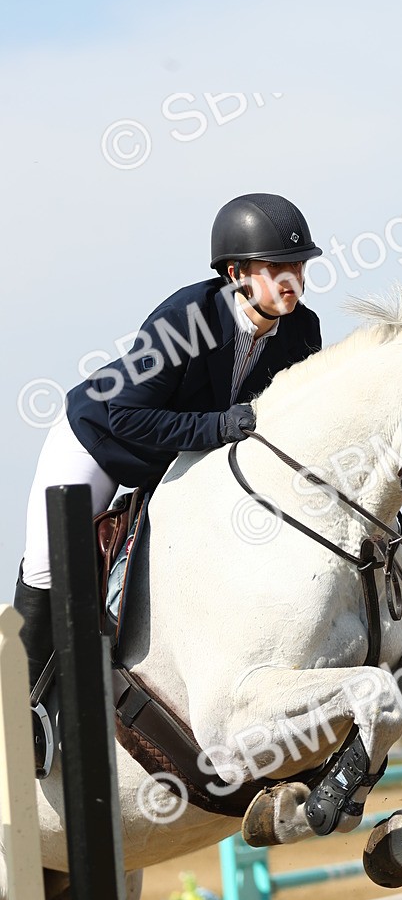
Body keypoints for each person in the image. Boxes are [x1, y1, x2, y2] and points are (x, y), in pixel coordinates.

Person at [14, 192, 323, 770]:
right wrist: (220, 425)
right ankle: (21, 712)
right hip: (101, 445)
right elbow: (126, 415)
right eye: (279, 268)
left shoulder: (302, 333)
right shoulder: (186, 319)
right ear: (237, 274)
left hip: (186, 463)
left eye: (300, 267)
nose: (294, 281)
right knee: (49, 563)